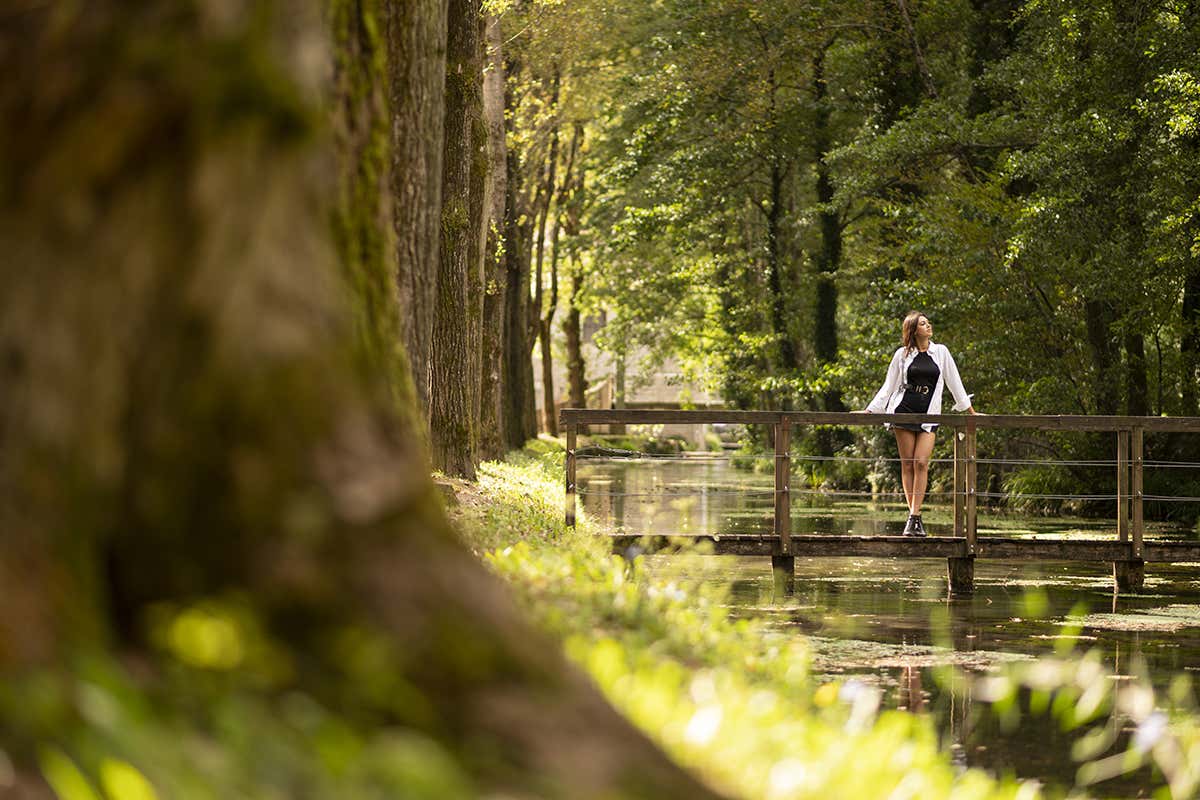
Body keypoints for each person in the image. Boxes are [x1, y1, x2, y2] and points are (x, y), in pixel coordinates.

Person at [863, 311, 976, 536]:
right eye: (923, 324)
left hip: (929, 414)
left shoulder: (941, 352)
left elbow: (955, 382)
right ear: (914, 330)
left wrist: (970, 411)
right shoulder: (902, 354)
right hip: (903, 411)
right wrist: (870, 410)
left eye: (928, 323)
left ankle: (914, 516)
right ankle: (913, 518)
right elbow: (889, 386)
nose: (928, 326)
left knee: (921, 463)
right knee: (907, 464)